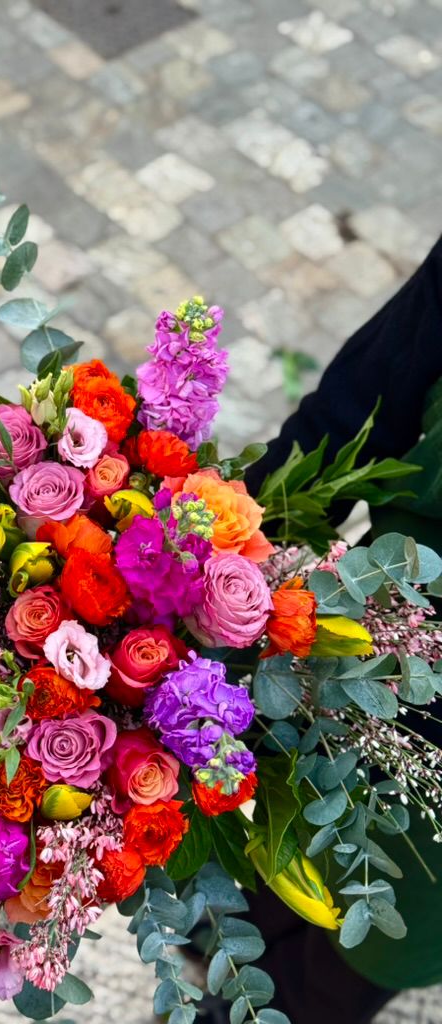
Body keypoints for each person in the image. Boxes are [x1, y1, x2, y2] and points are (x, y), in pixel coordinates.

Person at [237, 236, 442, 1024]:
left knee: (336, 973)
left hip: (432, 840)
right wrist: (218, 555)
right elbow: (358, 407)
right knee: (254, 867)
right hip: (349, 649)